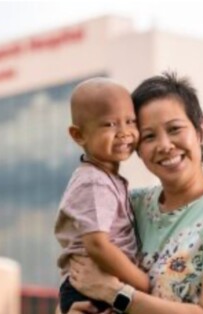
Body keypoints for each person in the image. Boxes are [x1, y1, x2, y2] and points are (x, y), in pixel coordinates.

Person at [66, 72, 203, 314]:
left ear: (201, 130)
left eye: (175, 129)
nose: (165, 145)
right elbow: (80, 275)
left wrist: (116, 294)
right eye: (149, 136)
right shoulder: (129, 204)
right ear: (137, 148)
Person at [54, 78, 150, 314]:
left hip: (100, 284)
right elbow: (97, 244)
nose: (124, 133)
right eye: (109, 124)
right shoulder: (94, 181)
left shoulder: (107, 178)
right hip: (89, 290)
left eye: (130, 122)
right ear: (78, 135)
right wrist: (142, 282)